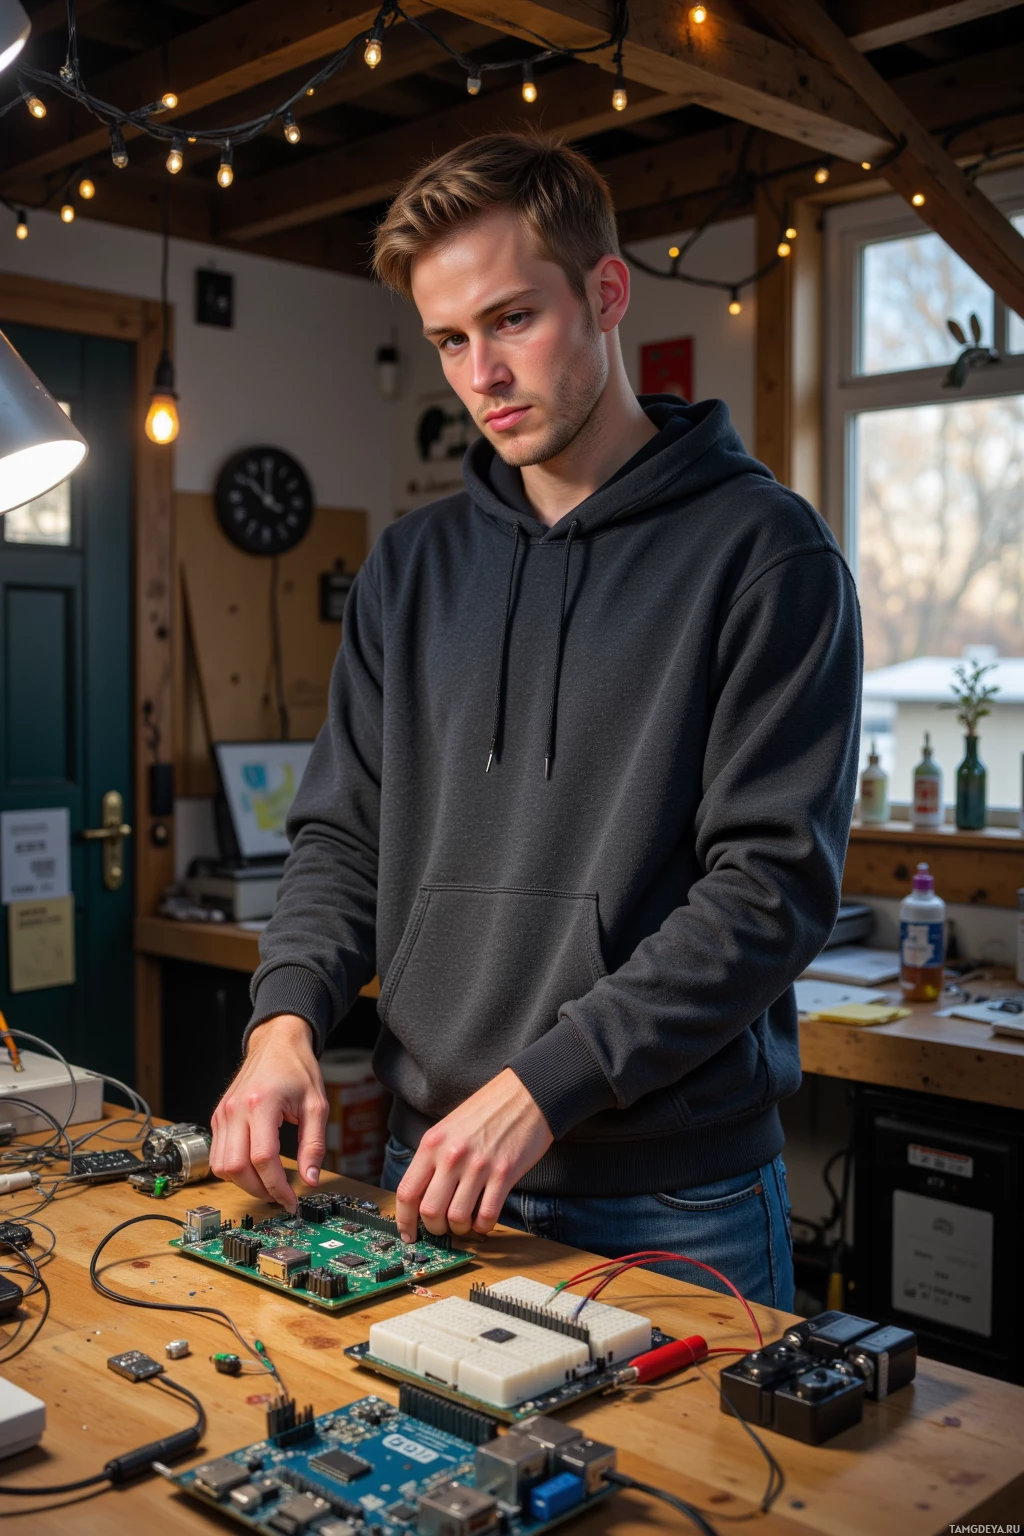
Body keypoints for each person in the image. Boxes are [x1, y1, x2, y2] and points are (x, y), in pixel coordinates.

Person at [210, 131, 862, 1310]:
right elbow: (341, 839)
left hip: (675, 1200)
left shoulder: (767, 554)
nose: (479, 375)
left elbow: (768, 892)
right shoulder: (411, 567)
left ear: (605, 292)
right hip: (433, 1167)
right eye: (450, 340)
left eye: (511, 320)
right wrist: (282, 1020)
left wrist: (549, 1081)